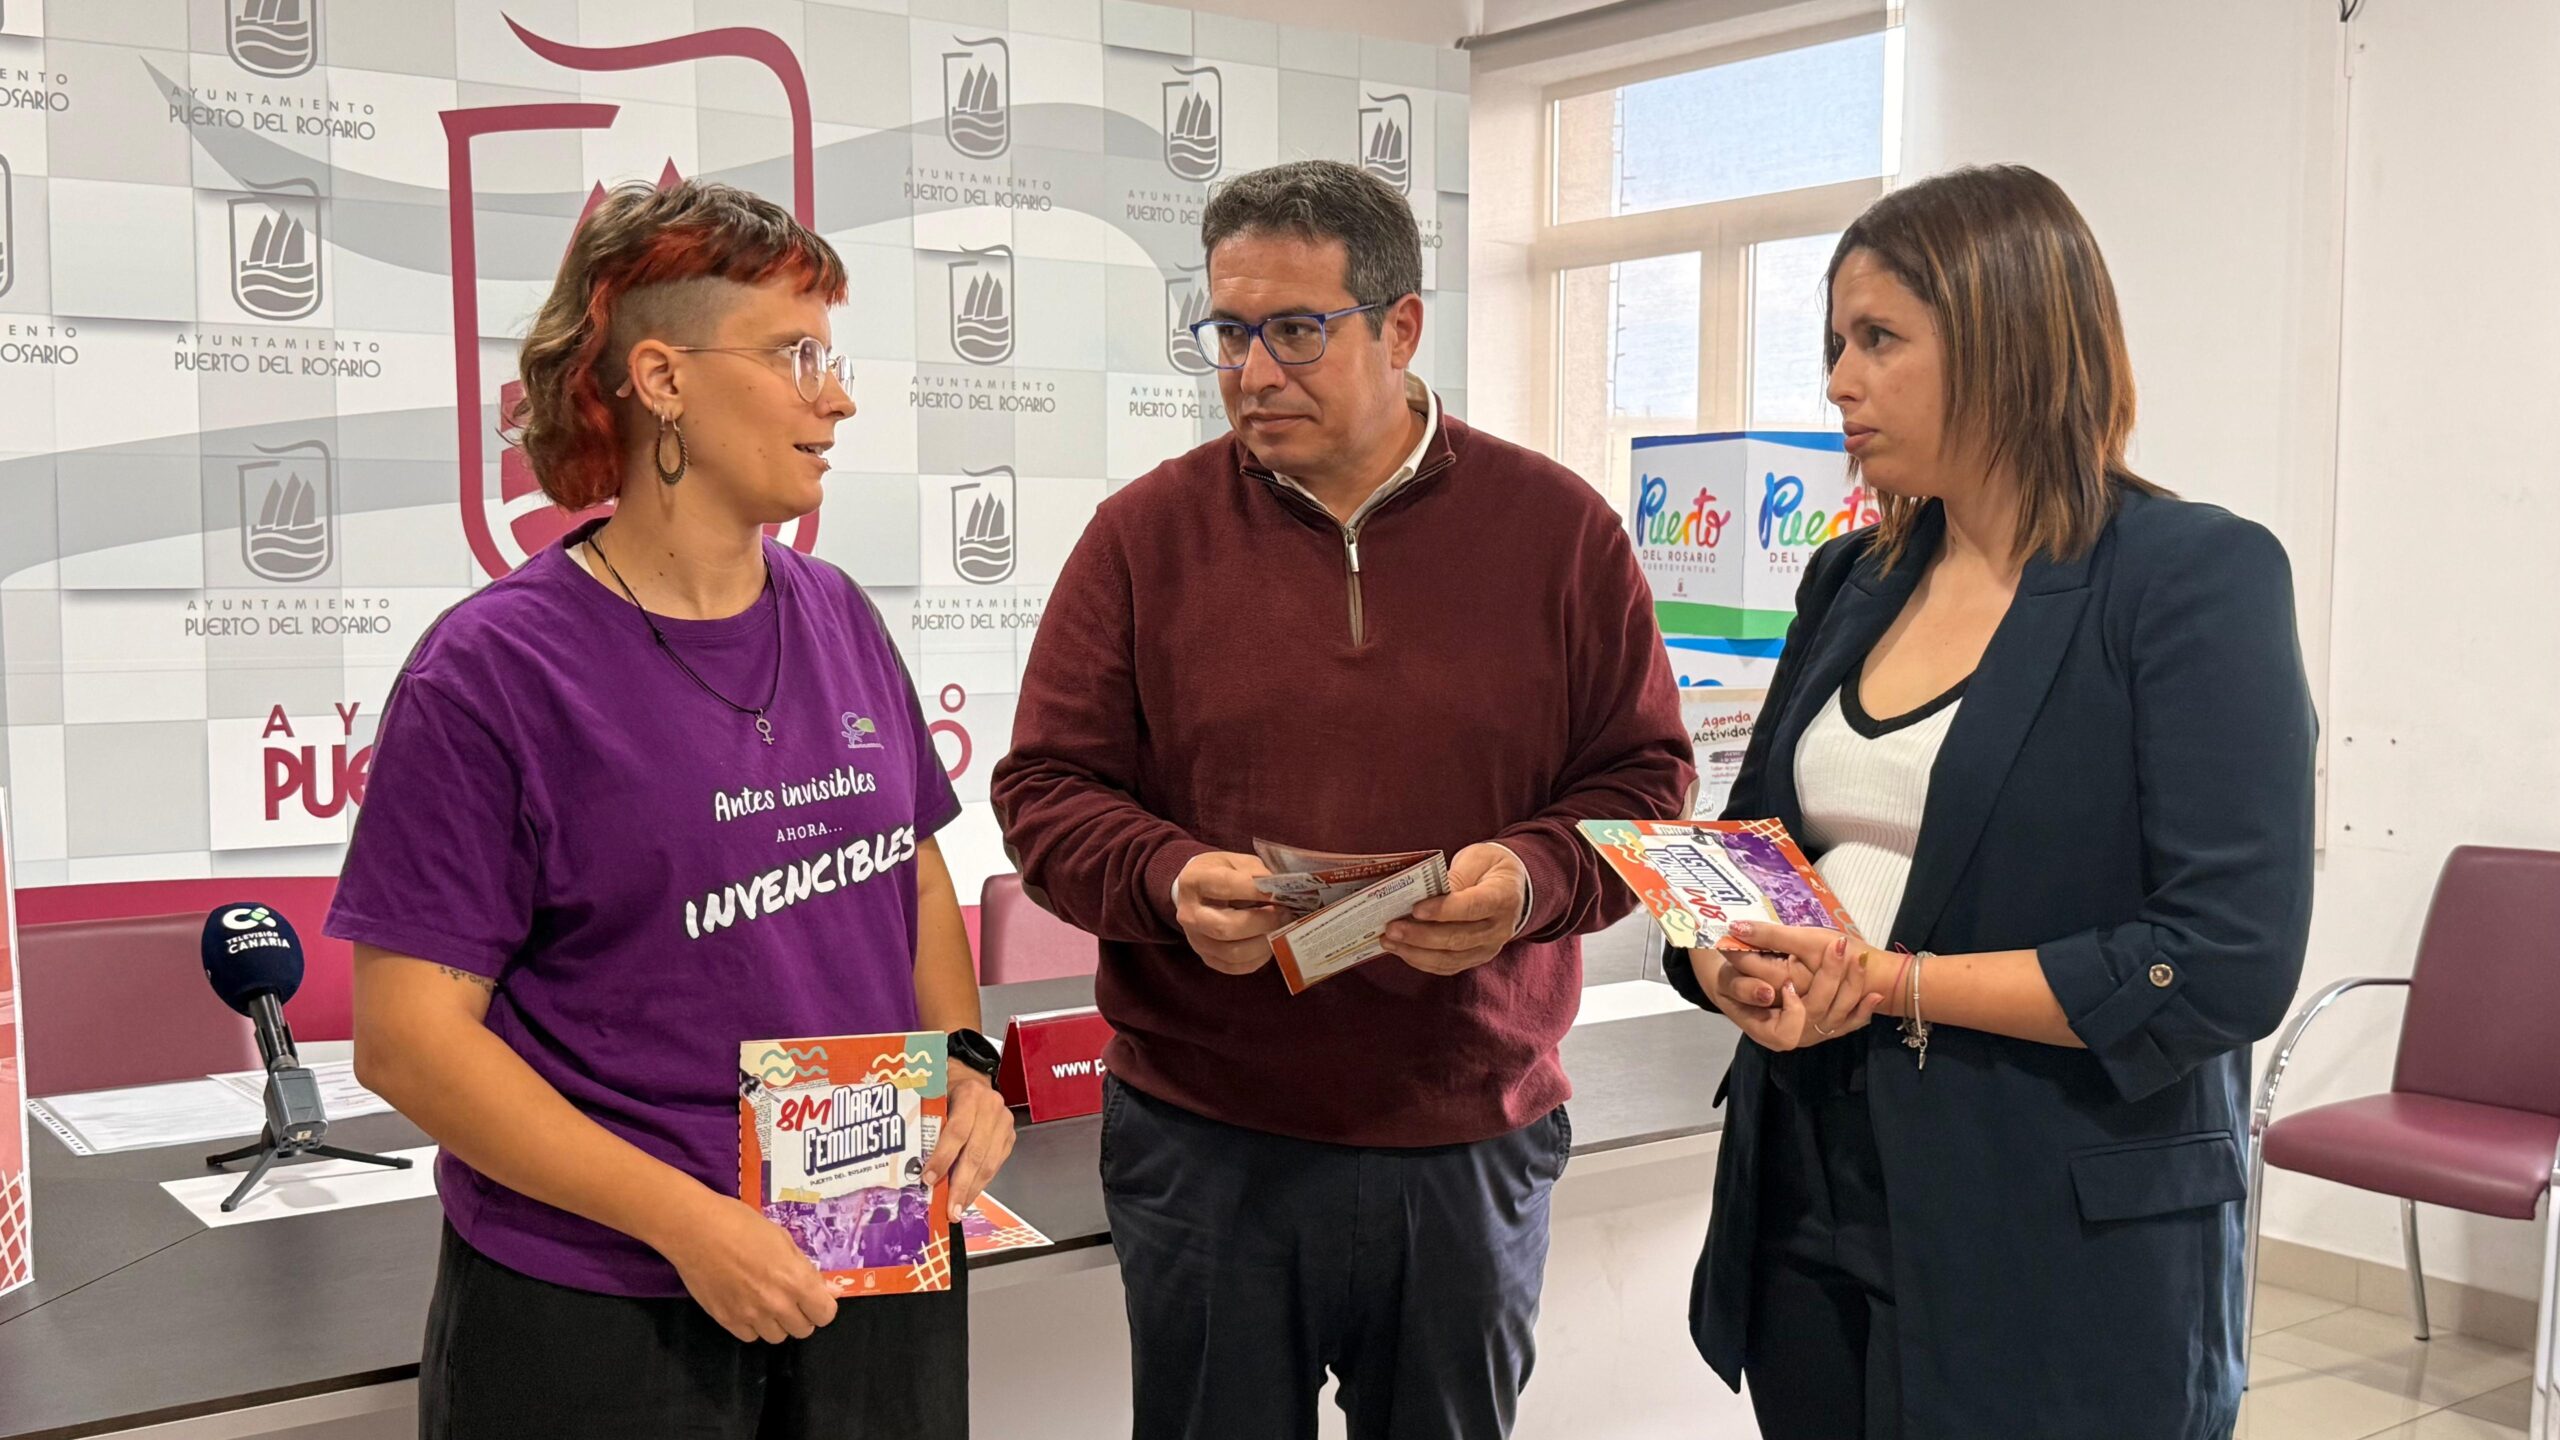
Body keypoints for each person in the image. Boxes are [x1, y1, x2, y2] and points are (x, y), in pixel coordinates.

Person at [990, 158, 1693, 1440]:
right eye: (1228, 332)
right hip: (1206, 1141)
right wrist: (1165, 881)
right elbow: (1046, 788)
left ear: (1401, 326)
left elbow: (1645, 784)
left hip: (1465, 1131)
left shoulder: (1560, 533)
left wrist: (1529, 881)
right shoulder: (1143, 538)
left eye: (1296, 332)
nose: (1253, 372)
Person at [330, 178, 1014, 1440]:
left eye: (834, 357)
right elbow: (411, 1042)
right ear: (662, 380)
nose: (837, 398)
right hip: (608, 1294)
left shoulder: (840, 614)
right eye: (796, 355)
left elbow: (908, 874)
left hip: (869, 1242)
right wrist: (688, 1223)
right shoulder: (493, 671)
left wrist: (967, 1062)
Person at [1663, 164, 2316, 1438]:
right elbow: (1751, 849)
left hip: (2048, 1219)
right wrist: (1724, 960)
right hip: (1807, 1183)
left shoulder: (2190, 577)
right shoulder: (1854, 576)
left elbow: (2224, 961)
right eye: (1833, 344)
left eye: (1878, 340)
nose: (1839, 381)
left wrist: (1892, 984)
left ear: (2005, 336)